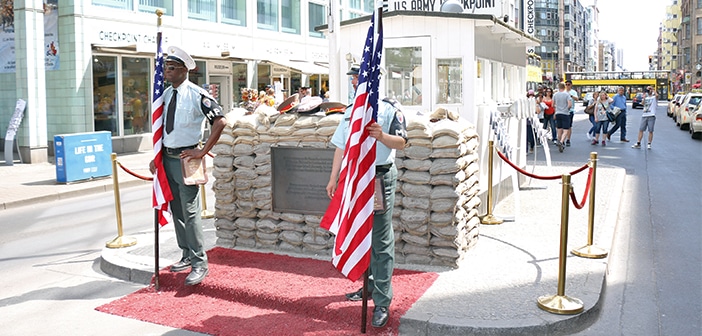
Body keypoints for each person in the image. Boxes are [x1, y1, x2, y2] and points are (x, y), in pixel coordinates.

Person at [326, 64, 407, 328]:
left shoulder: (388, 110)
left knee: (381, 239)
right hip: (355, 177)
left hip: (379, 176)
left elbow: (402, 142)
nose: (353, 82)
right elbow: (341, 146)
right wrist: (333, 177)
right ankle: (368, 285)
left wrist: (382, 136)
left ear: (373, 80)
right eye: (352, 78)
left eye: (358, 78)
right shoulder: (351, 111)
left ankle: (382, 301)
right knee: (360, 234)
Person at [149, 46, 227, 286]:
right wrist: (155, 156)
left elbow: (220, 121)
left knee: (191, 213)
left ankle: (199, 263)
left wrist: (203, 151)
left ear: (184, 70)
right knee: (178, 211)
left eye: (171, 68)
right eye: (165, 68)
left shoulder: (196, 94)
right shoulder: (166, 95)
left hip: (187, 159)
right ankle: (186, 254)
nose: (166, 72)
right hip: (167, 158)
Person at [552, 82, 573, 152]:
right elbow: (570, 105)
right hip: (565, 113)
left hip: (558, 113)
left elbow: (552, 105)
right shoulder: (567, 94)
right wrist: (566, 108)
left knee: (559, 129)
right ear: (564, 87)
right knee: (566, 130)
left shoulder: (555, 95)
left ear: (558, 87)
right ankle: (561, 141)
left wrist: (558, 108)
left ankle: (559, 140)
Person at [564, 80, 580, 147]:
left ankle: (568, 139)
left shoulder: (573, 92)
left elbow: (577, 99)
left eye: (568, 84)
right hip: (563, 111)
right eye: (566, 84)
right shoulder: (563, 91)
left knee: (569, 126)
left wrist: (571, 96)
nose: (567, 86)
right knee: (562, 126)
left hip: (570, 110)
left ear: (571, 85)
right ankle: (562, 139)